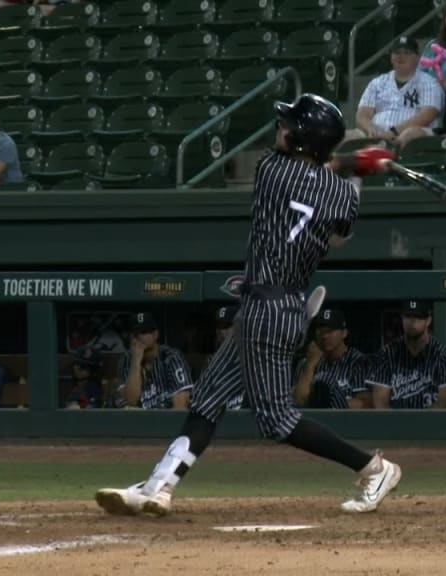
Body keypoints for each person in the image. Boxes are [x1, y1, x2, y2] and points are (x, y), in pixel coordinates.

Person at [94, 93, 400, 517]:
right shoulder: (344, 196)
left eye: (288, 124)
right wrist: (358, 168)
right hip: (286, 305)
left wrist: (351, 160)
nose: (281, 128)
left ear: (300, 139)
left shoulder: (270, 169)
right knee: (207, 397)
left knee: (276, 421)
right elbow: (338, 231)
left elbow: (311, 170)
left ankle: (373, 467)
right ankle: (159, 486)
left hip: (267, 308)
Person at [347, 36, 443, 150]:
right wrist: (371, 130)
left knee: (409, 134)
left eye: (406, 53)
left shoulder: (428, 82)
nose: (400, 56)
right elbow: (362, 115)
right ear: (391, 57)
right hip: (376, 134)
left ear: (417, 57)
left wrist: (394, 132)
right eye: (397, 52)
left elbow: (427, 115)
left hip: (411, 134)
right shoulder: (378, 83)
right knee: (348, 135)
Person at [366, 300, 446, 409]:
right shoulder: (386, 354)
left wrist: (421, 425)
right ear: (402, 319)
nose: (412, 322)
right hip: (395, 424)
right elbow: (380, 404)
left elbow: (445, 402)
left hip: (435, 424)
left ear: (428, 320)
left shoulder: (444, 355)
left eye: (418, 317)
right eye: (408, 316)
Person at [114, 312, 193, 410]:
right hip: (137, 424)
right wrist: (136, 361)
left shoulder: (172, 358)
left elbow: (181, 406)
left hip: (168, 423)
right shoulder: (126, 361)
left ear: (155, 335)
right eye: (135, 333)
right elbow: (131, 400)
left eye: (144, 332)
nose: (139, 336)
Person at [294, 309, 371, 409]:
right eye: (321, 330)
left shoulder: (359, 362)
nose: (325, 336)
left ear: (344, 333)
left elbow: (365, 404)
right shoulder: (306, 363)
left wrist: (330, 404)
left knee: (325, 379)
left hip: (345, 421)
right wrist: (310, 365)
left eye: (330, 331)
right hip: (314, 421)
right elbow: (298, 401)